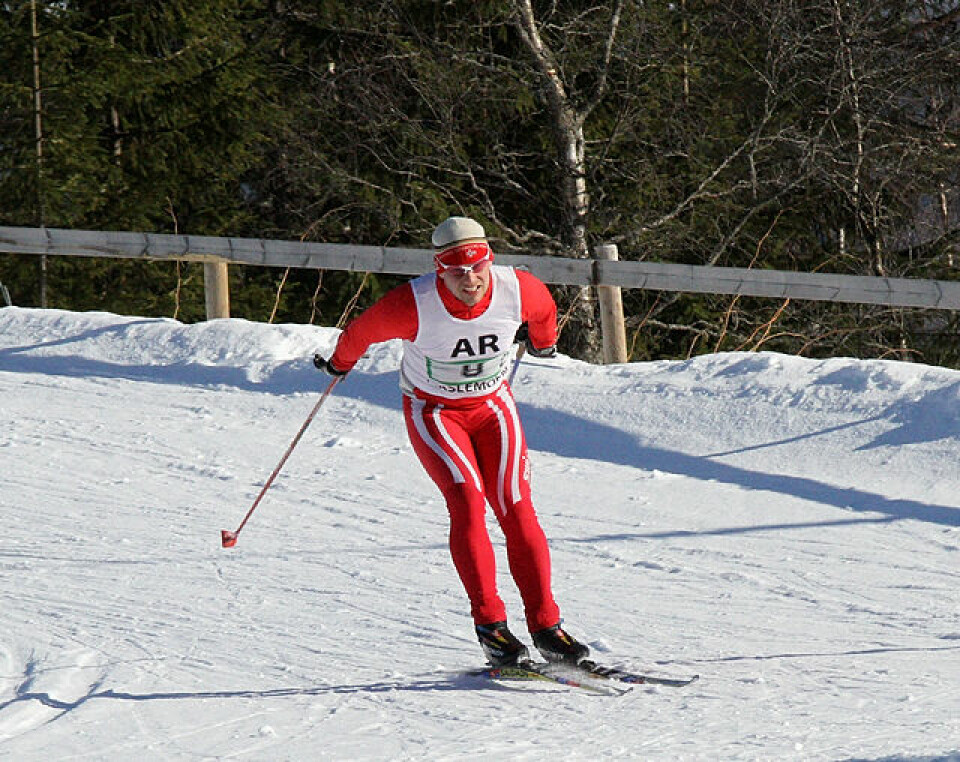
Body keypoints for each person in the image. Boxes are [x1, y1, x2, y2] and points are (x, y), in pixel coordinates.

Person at [315, 216, 590, 667]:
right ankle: (492, 629)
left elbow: (544, 312)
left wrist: (543, 344)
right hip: (435, 413)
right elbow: (359, 333)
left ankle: (546, 627)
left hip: (493, 408)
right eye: (456, 271)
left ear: (489, 260)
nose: (470, 280)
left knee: (516, 504)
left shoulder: (517, 288)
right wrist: (339, 364)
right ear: (439, 269)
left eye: (477, 267)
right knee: (467, 500)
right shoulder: (414, 303)